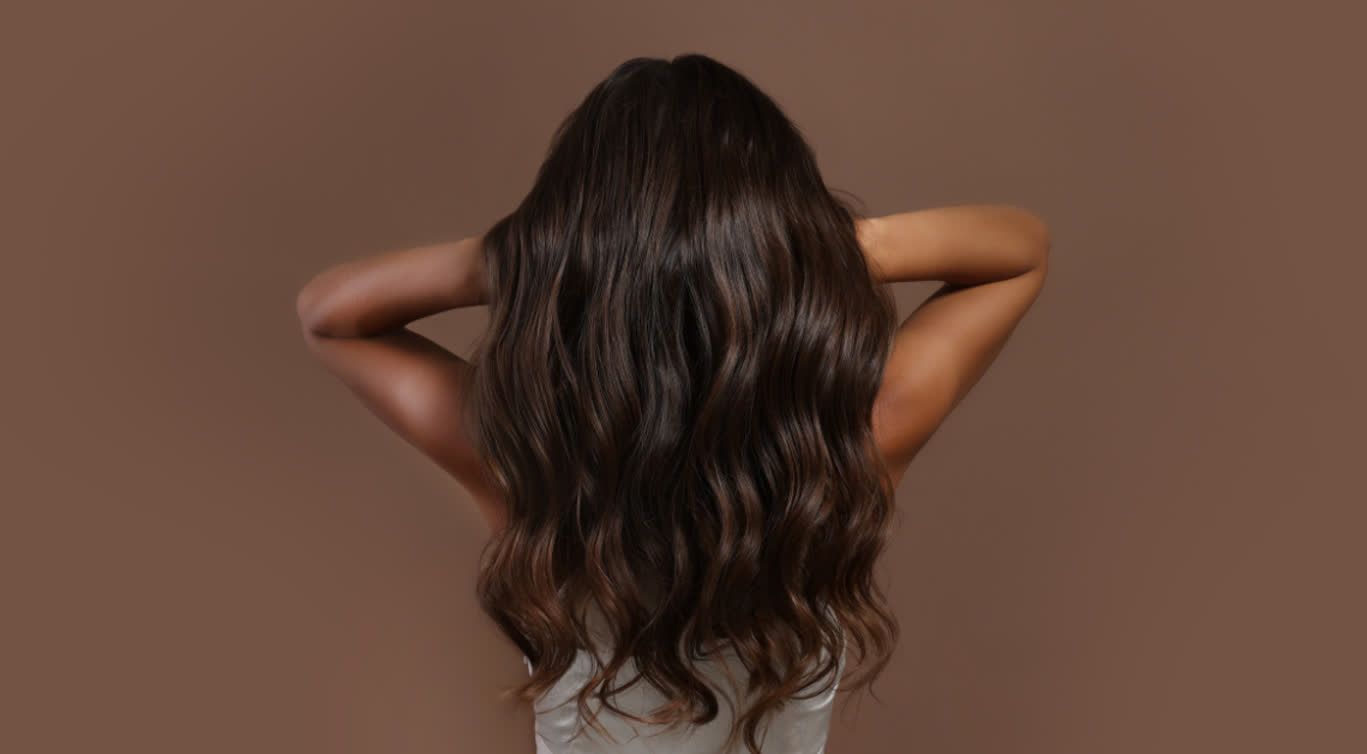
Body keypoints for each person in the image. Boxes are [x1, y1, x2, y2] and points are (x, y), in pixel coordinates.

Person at [296, 53, 1049, 754]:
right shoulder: (859, 436)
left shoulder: (527, 462)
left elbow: (330, 312)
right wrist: (801, 248)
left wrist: (541, 256)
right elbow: (1019, 249)